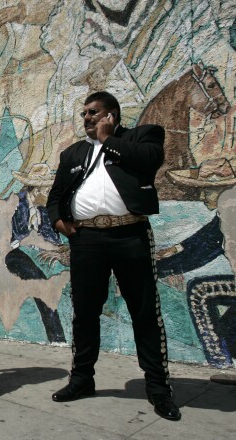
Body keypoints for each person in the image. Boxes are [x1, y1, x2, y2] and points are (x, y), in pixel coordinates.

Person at [46, 91, 181, 421]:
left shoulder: (142, 136)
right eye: (84, 114)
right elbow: (56, 194)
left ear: (112, 115)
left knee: (144, 311)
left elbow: (150, 161)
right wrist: (58, 221)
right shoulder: (73, 153)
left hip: (130, 233)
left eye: (94, 112)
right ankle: (81, 380)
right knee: (85, 313)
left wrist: (108, 139)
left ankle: (158, 388)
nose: (87, 118)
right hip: (87, 239)